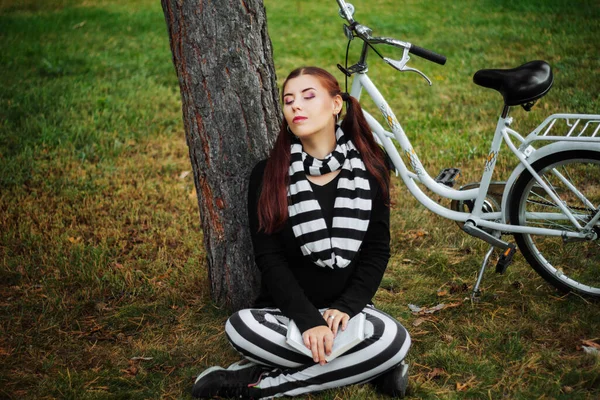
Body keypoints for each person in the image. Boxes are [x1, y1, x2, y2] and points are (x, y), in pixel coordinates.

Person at [192, 66, 411, 399]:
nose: (296, 106)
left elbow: (377, 251)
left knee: (395, 338)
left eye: (309, 97)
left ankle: (264, 385)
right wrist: (309, 321)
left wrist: (347, 307)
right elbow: (269, 258)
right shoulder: (268, 174)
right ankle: (371, 368)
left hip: (346, 315)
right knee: (239, 328)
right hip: (283, 314)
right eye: (288, 100)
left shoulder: (371, 168)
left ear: (336, 104)